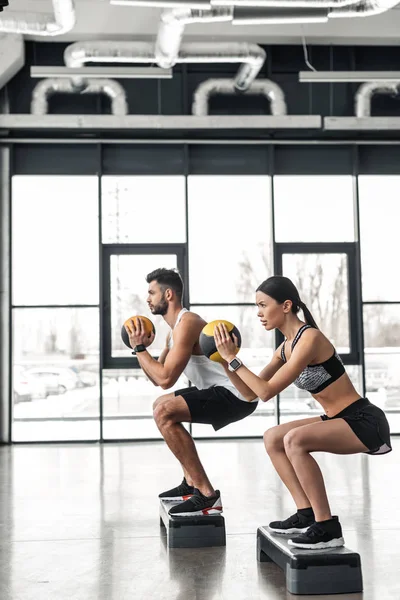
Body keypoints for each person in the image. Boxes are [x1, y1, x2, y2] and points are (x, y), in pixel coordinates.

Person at [214, 275, 391, 550]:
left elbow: (266, 391)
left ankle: (327, 527)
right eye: (256, 306)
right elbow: (251, 393)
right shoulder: (285, 348)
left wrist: (233, 359)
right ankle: (306, 513)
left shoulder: (310, 338)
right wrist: (227, 364)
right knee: (273, 437)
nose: (259, 313)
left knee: (294, 440)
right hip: (337, 418)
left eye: (263, 305)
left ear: (286, 306)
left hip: (363, 420)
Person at [124, 268, 259, 517]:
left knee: (164, 412)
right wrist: (139, 350)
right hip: (217, 391)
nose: (148, 299)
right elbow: (157, 379)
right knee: (160, 404)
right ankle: (190, 481)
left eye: (151, 293)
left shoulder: (188, 323)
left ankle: (207, 494)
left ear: (168, 294)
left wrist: (140, 348)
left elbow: (165, 378)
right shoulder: (173, 332)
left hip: (236, 394)